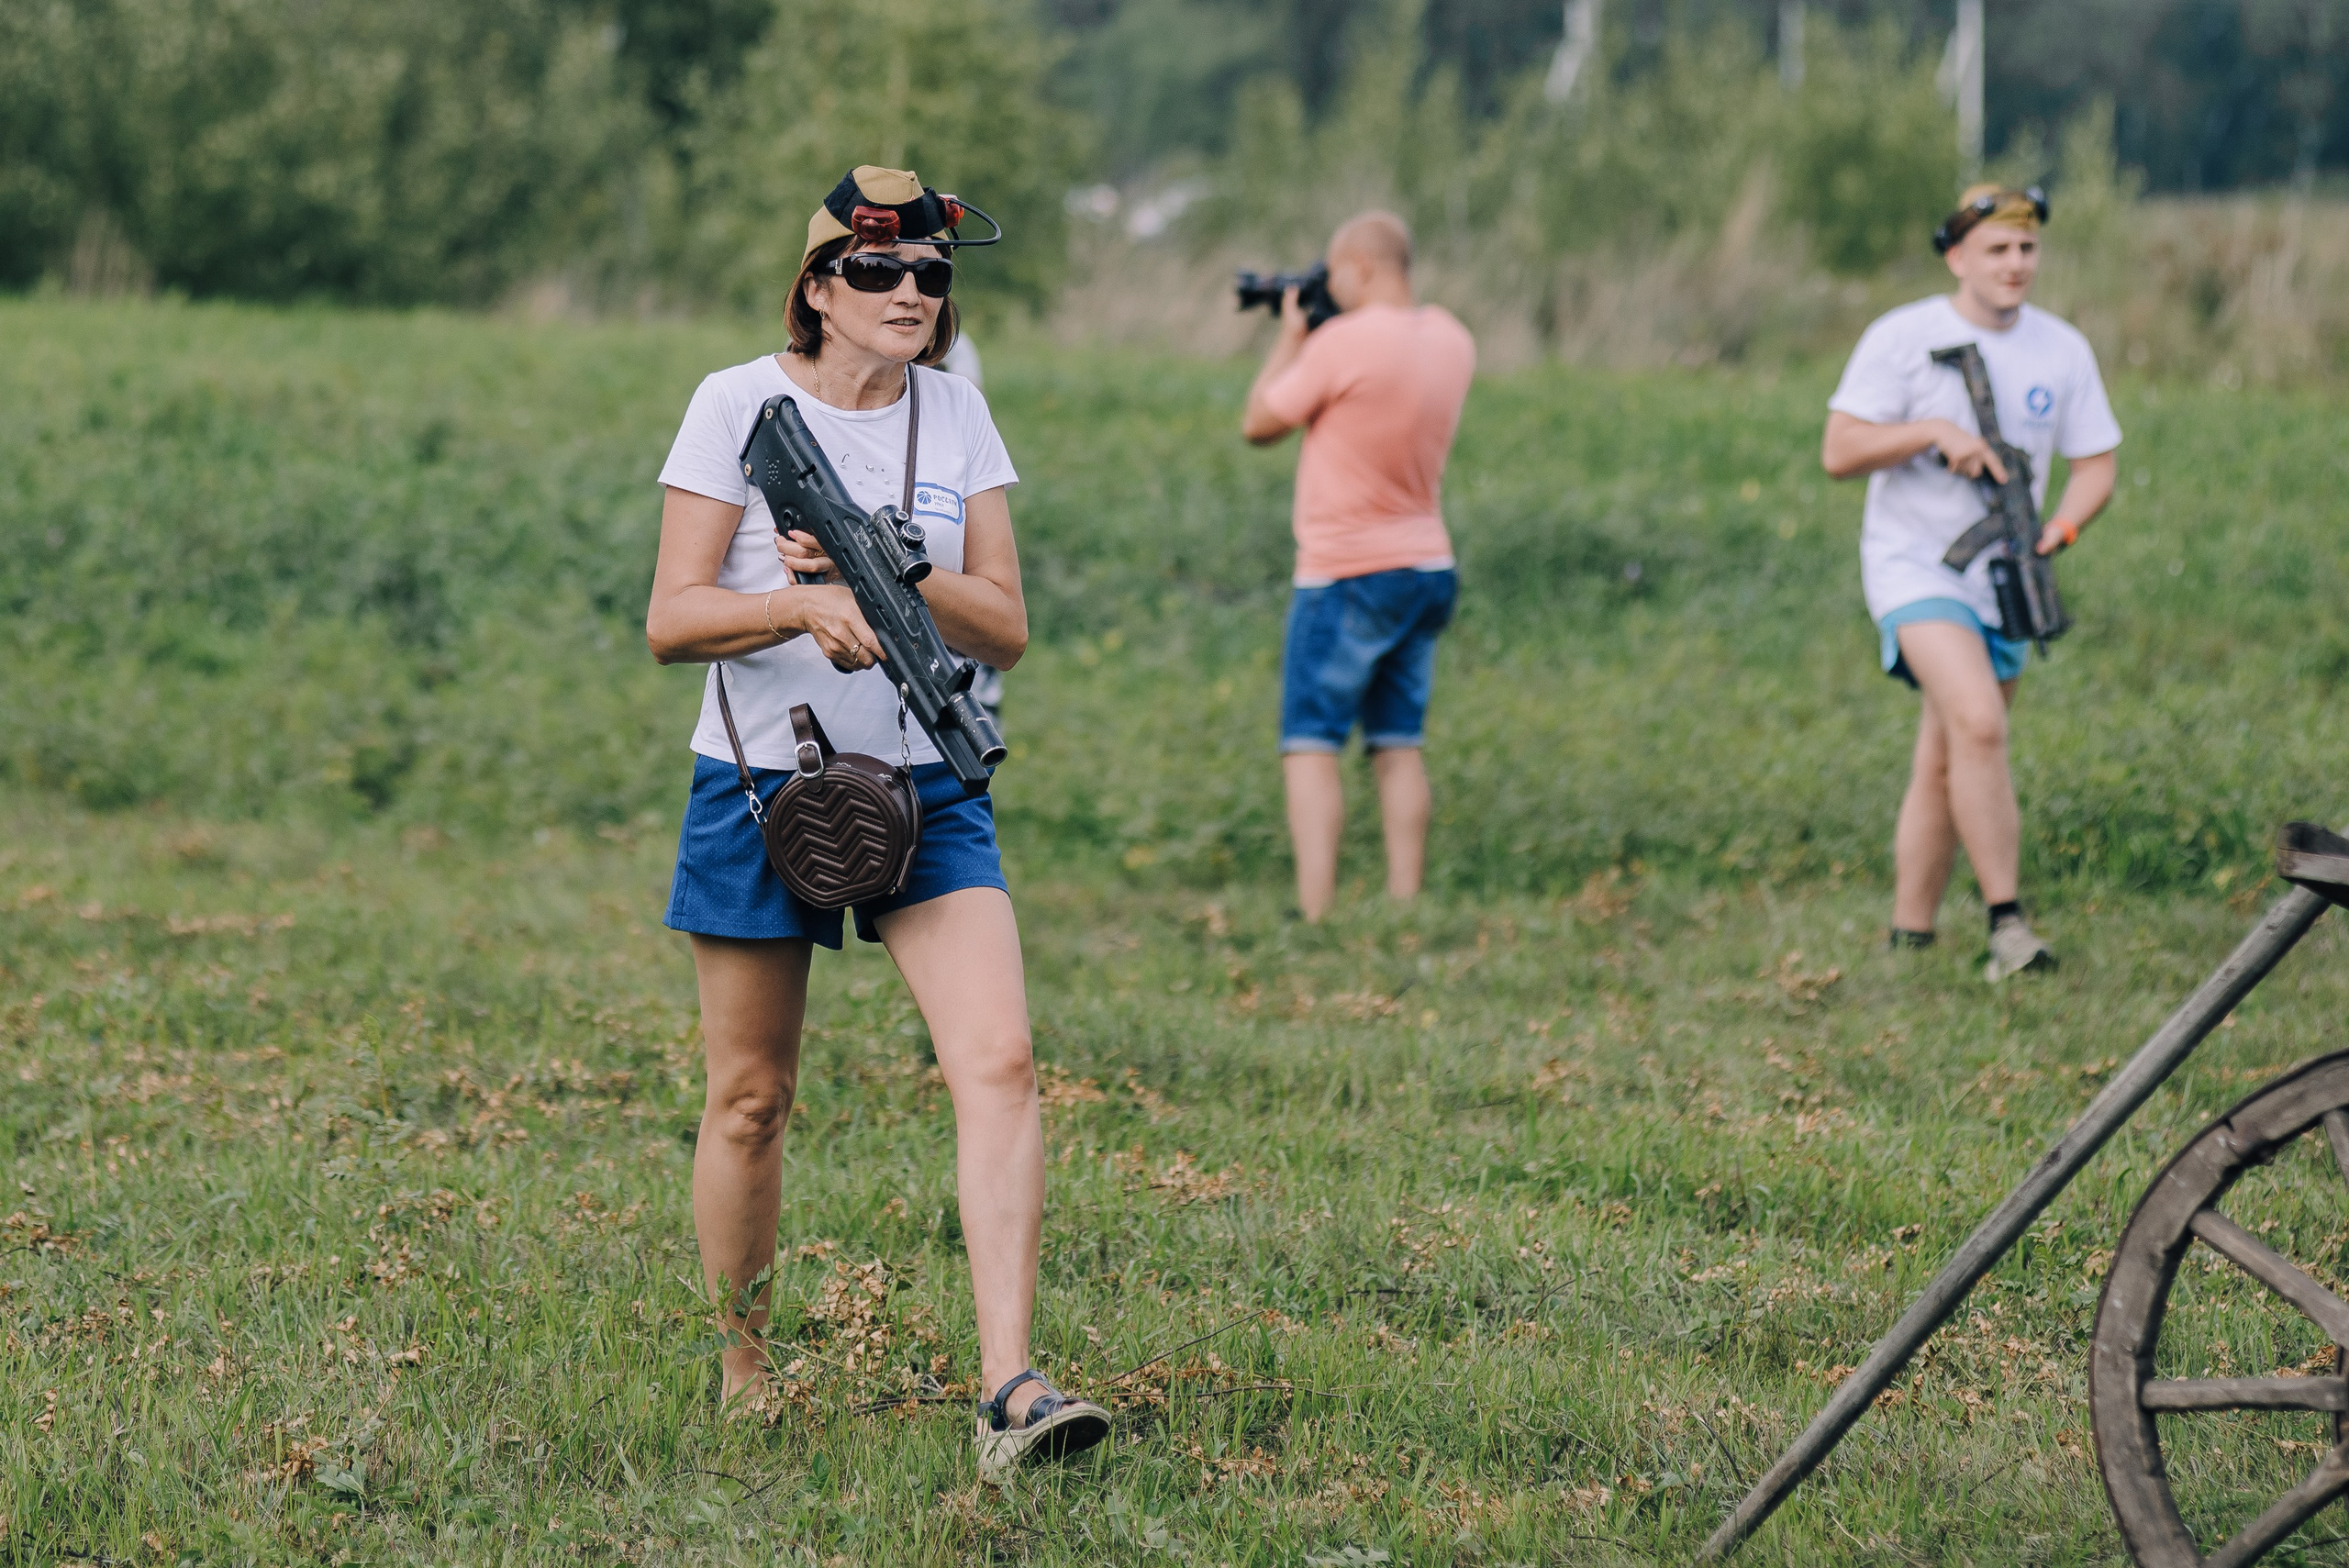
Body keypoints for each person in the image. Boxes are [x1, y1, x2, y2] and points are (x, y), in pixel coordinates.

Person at [642, 165, 1109, 1481]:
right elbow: (671, 618)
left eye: (931, 275)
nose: (911, 293)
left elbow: (1005, 624)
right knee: (750, 1099)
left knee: (1001, 1061)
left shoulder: (958, 415)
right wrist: (798, 604)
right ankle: (745, 1370)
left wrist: (899, 564)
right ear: (817, 287)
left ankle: (1011, 1389)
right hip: (760, 784)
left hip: (929, 778)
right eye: (878, 270)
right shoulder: (735, 403)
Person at [1821, 183, 2121, 980]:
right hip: (1915, 565)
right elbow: (1839, 450)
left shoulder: (2062, 349)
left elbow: (2096, 464)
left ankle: (1910, 935)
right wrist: (1930, 431)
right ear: (1957, 257)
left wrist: (2060, 530)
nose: (2015, 264)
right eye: (1997, 250)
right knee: (1980, 724)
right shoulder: (1903, 337)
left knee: (1948, 752)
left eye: (2026, 249)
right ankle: (2007, 927)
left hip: (2010, 577)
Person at [1239, 210, 1476, 922]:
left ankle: (1316, 912)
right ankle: (1406, 900)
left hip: (1344, 571)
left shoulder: (1340, 344)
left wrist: (1290, 337)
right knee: (1398, 742)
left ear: (1363, 267)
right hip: (1425, 563)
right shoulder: (1453, 339)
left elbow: (1259, 423)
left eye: (1335, 270)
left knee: (1311, 743)